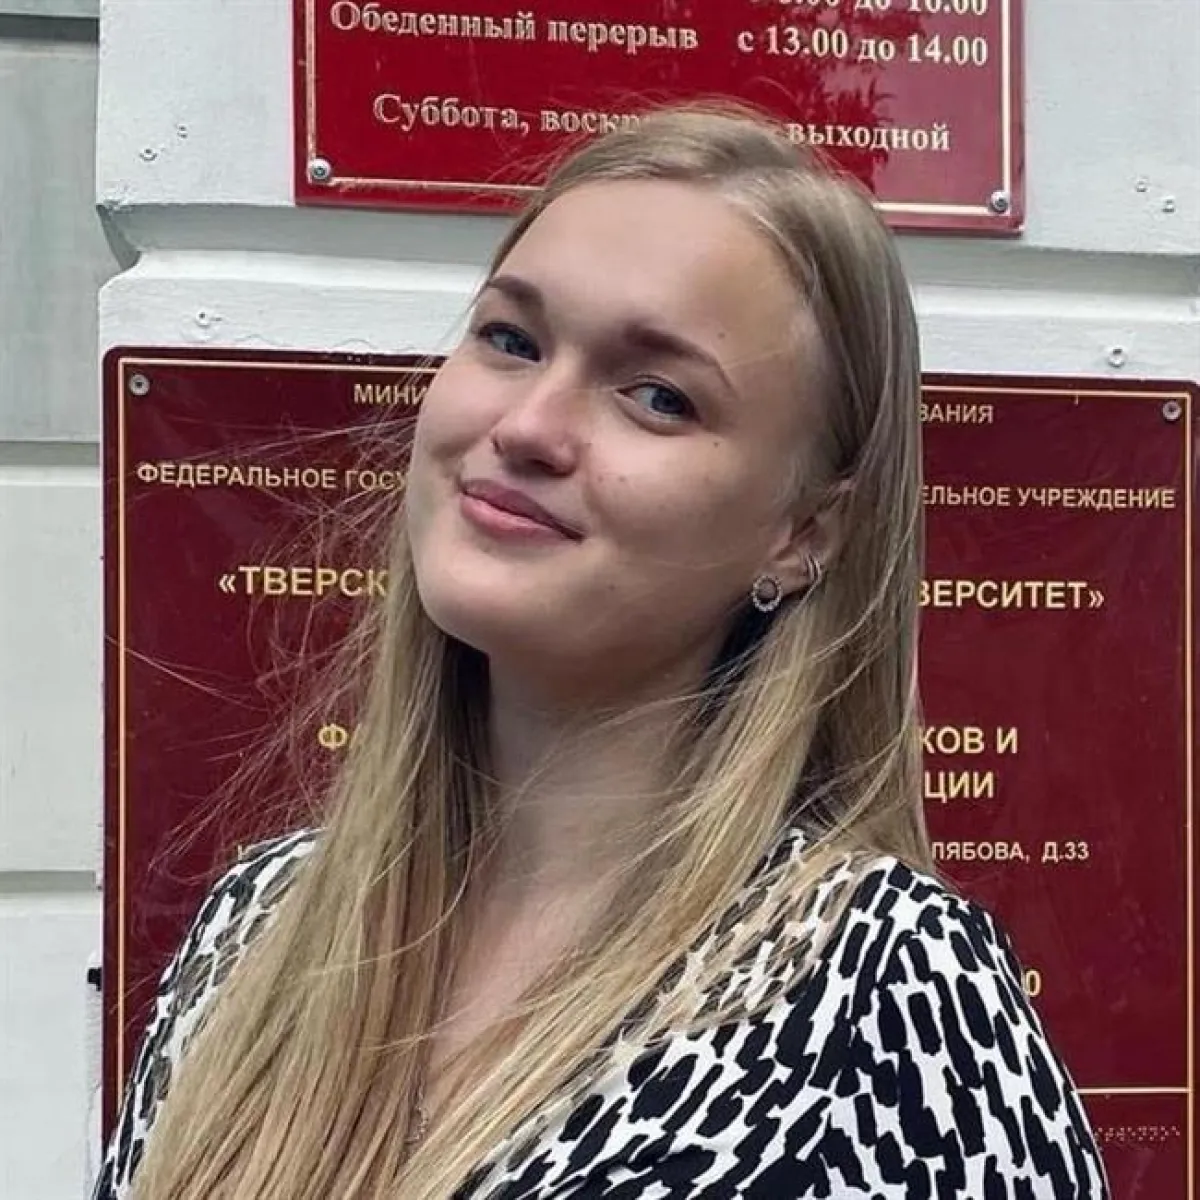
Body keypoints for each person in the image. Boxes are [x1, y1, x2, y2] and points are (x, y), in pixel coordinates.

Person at [95, 103, 1108, 1199]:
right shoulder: (260, 927)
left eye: (658, 397)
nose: (529, 426)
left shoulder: (885, 991)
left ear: (804, 530)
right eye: (510, 339)